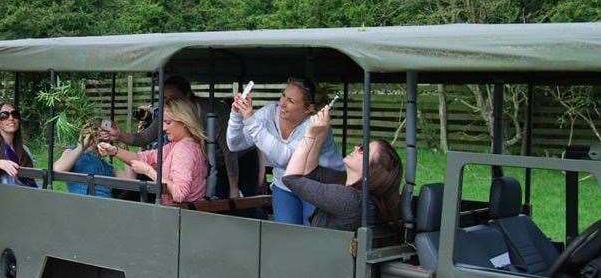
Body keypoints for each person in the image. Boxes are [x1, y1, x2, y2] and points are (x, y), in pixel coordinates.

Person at [101, 76, 248, 199]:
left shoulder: (211, 114)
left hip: (231, 163)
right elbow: (144, 141)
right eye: (165, 98)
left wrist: (234, 188)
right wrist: (115, 144)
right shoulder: (174, 136)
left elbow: (230, 151)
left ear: (187, 97)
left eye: (173, 98)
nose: (163, 127)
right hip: (195, 170)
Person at [227, 78, 344, 225]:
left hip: (319, 186)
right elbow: (234, 144)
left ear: (308, 109)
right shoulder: (269, 113)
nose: (282, 103)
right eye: (283, 95)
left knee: (312, 235)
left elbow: (284, 157)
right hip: (285, 185)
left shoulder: (316, 124)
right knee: (286, 236)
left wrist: (250, 120)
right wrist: (236, 115)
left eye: (291, 101)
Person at [284, 107, 402, 231]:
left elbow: (291, 179)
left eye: (363, 150)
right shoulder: (347, 183)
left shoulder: (350, 199)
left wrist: (309, 133)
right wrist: (321, 133)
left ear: (373, 170)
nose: (356, 148)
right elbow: (311, 173)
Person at [98, 97, 207, 205]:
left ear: (184, 122)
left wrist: (148, 171)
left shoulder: (184, 150)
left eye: (168, 123)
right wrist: (114, 151)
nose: (163, 128)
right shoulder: (178, 145)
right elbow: (143, 158)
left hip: (181, 214)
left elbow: (179, 194)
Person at [53, 119, 115, 197]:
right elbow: (58, 169)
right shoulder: (72, 153)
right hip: (83, 203)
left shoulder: (106, 164)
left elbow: (129, 179)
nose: (99, 138)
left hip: (106, 205)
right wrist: (84, 145)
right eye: (97, 134)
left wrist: (121, 145)